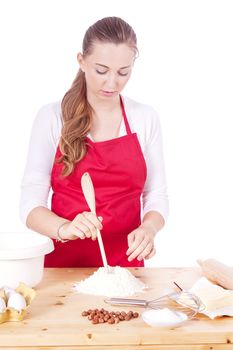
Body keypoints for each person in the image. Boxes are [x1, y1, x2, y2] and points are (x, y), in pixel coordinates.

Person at [20, 16, 169, 268]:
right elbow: (30, 205)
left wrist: (149, 229)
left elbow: (156, 195)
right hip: (62, 268)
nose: (112, 83)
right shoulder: (52, 118)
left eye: (123, 72)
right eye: (101, 70)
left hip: (126, 270)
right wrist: (64, 227)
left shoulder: (145, 118)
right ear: (82, 61)